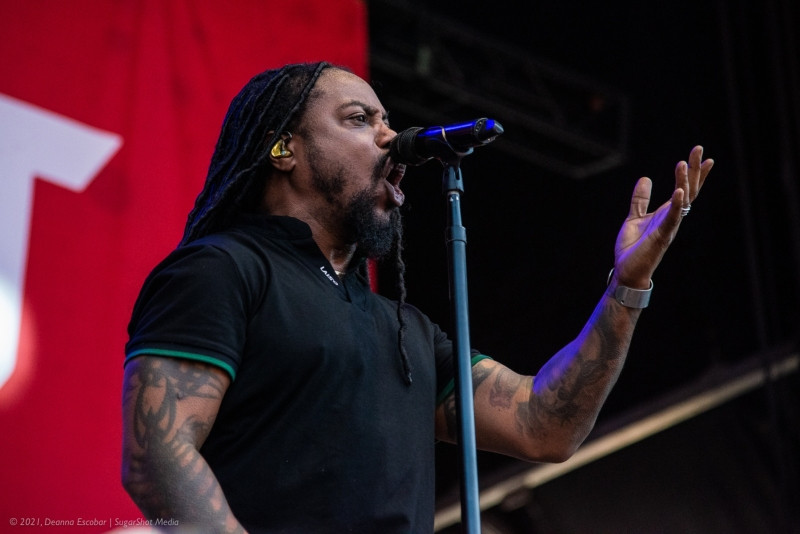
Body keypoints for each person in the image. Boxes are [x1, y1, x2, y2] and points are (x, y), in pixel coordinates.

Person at [121, 61, 714, 533]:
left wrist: (628, 286)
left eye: (388, 120)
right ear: (284, 150)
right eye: (360, 119)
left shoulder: (404, 329)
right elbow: (157, 460)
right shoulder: (222, 270)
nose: (392, 137)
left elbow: (545, 424)